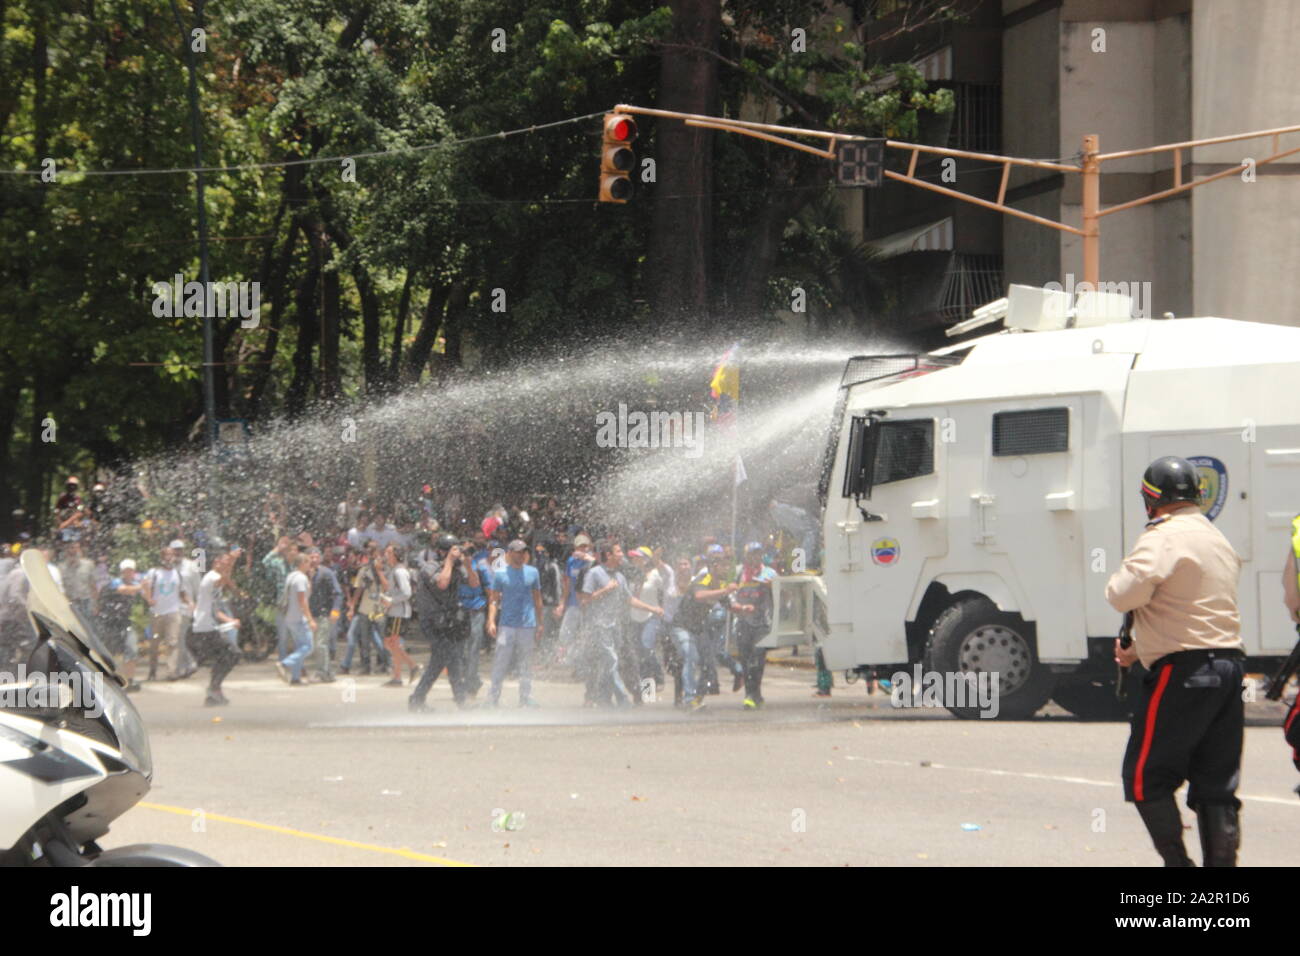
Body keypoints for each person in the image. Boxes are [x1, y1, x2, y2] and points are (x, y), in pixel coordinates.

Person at [1106, 455, 1245, 867]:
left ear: (1151, 500)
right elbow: (1189, 607)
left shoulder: (1162, 536)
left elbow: (1123, 594)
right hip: (1229, 668)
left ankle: (1177, 865)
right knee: (1216, 786)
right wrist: (1142, 646)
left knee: (1145, 777)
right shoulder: (1215, 537)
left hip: (1184, 674)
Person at [580, 541, 664, 708]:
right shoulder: (594, 573)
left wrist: (652, 609)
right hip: (599, 626)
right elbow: (584, 600)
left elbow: (629, 599)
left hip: (617, 626)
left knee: (614, 662)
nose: (622, 555)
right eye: (618, 551)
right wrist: (606, 589)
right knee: (611, 660)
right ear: (608, 555)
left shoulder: (620, 576)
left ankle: (605, 698)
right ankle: (623, 698)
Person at [409, 534, 474, 712]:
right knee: (445, 658)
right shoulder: (430, 566)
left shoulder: (457, 567)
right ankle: (420, 698)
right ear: (442, 552)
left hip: (448, 621)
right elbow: (443, 583)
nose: (457, 553)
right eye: (453, 549)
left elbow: (474, 583)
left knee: (449, 660)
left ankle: (420, 698)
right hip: (431, 620)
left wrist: (467, 562)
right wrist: (450, 562)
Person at [485, 540, 544, 707]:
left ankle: (525, 697)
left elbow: (537, 598)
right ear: (509, 553)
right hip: (507, 624)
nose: (520, 555)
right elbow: (494, 600)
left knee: (526, 662)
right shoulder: (501, 573)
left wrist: (540, 623)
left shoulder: (532, 572)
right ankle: (493, 698)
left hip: (527, 624)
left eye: (523, 552)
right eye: (517, 552)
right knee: (500, 661)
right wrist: (491, 621)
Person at [189, 549, 242, 705]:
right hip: (204, 629)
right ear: (216, 562)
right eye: (223, 561)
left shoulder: (216, 579)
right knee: (232, 653)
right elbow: (224, 581)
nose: (226, 564)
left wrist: (230, 620)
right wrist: (232, 561)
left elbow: (216, 611)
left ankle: (214, 690)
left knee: (226, 656)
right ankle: (214, 688)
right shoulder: (211, 577)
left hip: (209, 627)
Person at [731, 542, 778, 710]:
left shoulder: (769, 572)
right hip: (742, 622)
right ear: (746, 555)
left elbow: (782, 594)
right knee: (745, 660)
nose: (755, 557)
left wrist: (771, 586)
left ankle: (753, 694)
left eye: (758, 553)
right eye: (752, 553)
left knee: (757, 659)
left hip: (763, 623)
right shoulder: (738, 572)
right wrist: (737, 606)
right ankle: (752, 694)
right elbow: (730, 593)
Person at [141, 545, 193, 681]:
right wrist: (149, 599)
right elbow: (144, 588)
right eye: (166, 555)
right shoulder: (154, 573)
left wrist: (189, 602)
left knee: (172, 642)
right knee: (154, 644)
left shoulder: (177, 574)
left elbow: (182, 592)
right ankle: (152, 671)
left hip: (173, 612)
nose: (169, 558)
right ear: (162, 557)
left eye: (171, 555)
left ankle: (171, 671)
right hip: (157, 612)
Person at [661, 555, 704, 712]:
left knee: (687, 658)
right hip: (668, 626)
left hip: (686, 628)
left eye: (686, 563)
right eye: (680, 564)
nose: (684, 567)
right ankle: (680, 697)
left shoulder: (694, 582)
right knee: (673, 665)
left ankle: (686, 698)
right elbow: (659, 564)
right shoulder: (669, 580)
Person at [375, 544, 419, 686]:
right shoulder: (394, 570)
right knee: (391, 643)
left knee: (392, 643)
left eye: (388, 552)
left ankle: (409, 668)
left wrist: (391, 601)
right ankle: (402, 672)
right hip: (395, 611)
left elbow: (406, 593)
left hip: (399, 612)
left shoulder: (399, 572)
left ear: (395, 555)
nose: (386, 555)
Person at [99, 558, 143, 692]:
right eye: (126, 571)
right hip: (112, 623)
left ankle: (129, 680)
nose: (128, 573)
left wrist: (145, 588)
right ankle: (109, 679)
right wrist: (142, 586)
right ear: (122, 572)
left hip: (127, 622)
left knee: (131, 649)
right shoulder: (115, 582)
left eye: (131, 571)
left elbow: (149, 598)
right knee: (111, 652)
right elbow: (123, 590)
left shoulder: (136, 584)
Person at [277, 553, 316, 685]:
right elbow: (302, 600)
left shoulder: (291, 576)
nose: (310, 564)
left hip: (289, 616)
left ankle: (295, 677)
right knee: (308, 647)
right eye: (308, 562)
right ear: (302, 563)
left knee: (300, 646)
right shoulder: (300, 578)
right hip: (298, 617)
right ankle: (285, 663)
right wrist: (310, 619)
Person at [306, 547, 342, 682]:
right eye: (311, 557)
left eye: (316, 557)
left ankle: (322, 672)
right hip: (309, 614)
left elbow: (337, 593)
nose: (314, 560)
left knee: (321, 644)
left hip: (323, 613)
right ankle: (328, 673)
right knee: (314, 645)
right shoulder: (303, 574)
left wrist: (335, 610)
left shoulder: (326, 573)